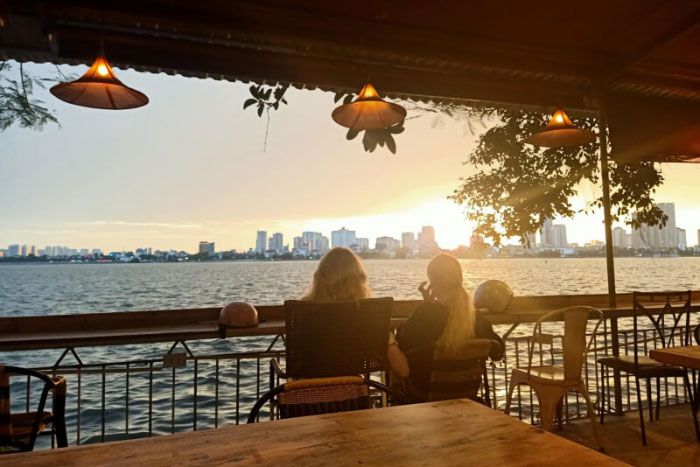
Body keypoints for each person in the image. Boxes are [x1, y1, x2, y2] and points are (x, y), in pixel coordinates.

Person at [392, 253, 504, 400]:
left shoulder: (427, 314)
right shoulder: (475, 317)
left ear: (433, 283)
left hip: (424, 395)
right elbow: (498, 351)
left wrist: (426, 306)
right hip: (466, 395)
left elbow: (402, 341)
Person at [302, 247, 410, 378]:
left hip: (308, 393)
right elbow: (403, 371)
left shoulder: (304, 311)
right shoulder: (367, 316)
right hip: (353, 392)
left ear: (319, 277)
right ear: (359, 280)